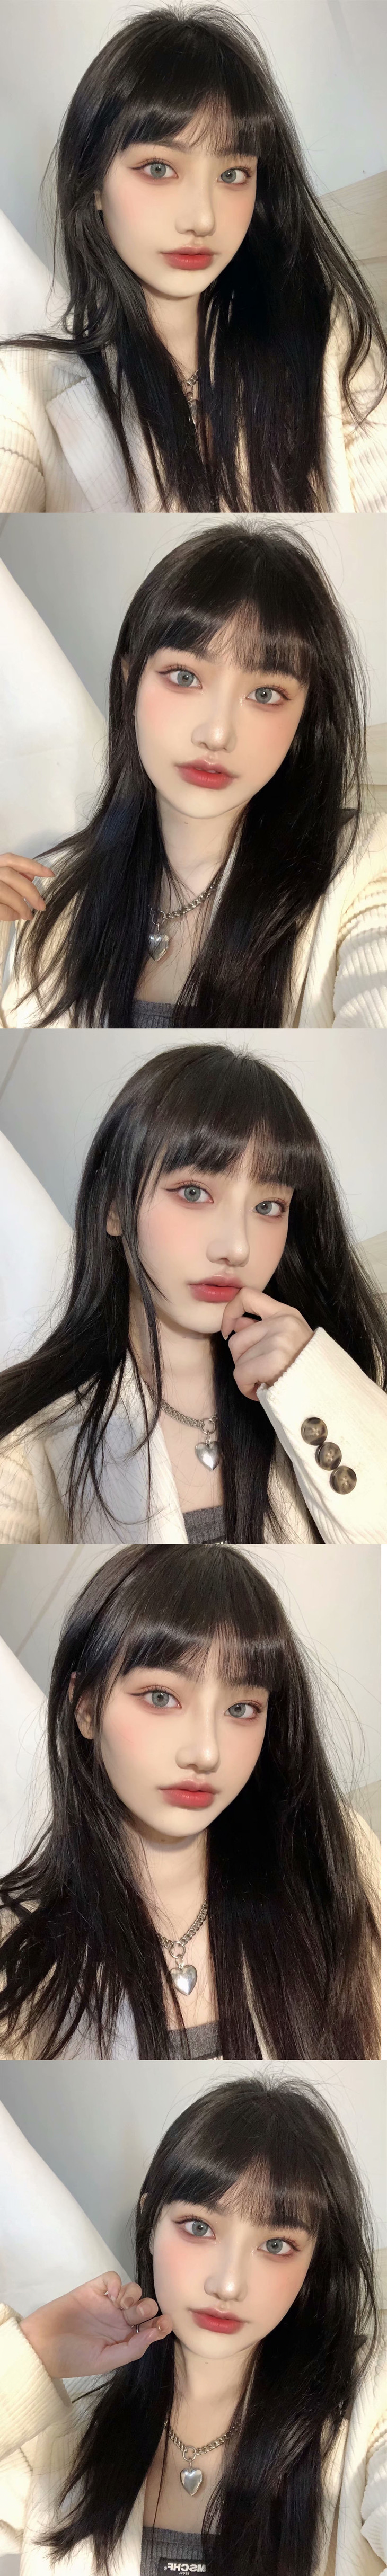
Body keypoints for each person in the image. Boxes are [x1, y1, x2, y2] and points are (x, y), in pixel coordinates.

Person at [0, 1544, 381, 2061]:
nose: (206, 1752)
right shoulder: (19, 1950)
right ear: (85, 1706)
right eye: (161, 1697)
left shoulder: (336, 1865)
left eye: (242, 1708)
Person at [1, 9, 386, 516]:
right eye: (159, 168)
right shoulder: (21, 387)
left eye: (233, 174)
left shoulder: (328, 339)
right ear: (94, 183)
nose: (203, 218)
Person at [1, 525, 386, 1032]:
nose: (217, 734)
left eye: (266, 694)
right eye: (185, 677)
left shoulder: (364, 872)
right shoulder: (50, 891)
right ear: (130, 681)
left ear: (305, 716)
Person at [0, 1044, 386, 1548]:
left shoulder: (352, 1369)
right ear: (114, 1208)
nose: (237, 1248)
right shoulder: (29, 1437)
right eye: (193, 1193)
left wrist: (312, 1385)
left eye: (269, 1206)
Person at [0, 2077, 385, 2573]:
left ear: (314, 2262)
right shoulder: (61, 2429)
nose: (228, 2285)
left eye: (276, 2245)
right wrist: (31, 2354)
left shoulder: (370, 2408)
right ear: (150, 2225)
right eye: (199, 2227)